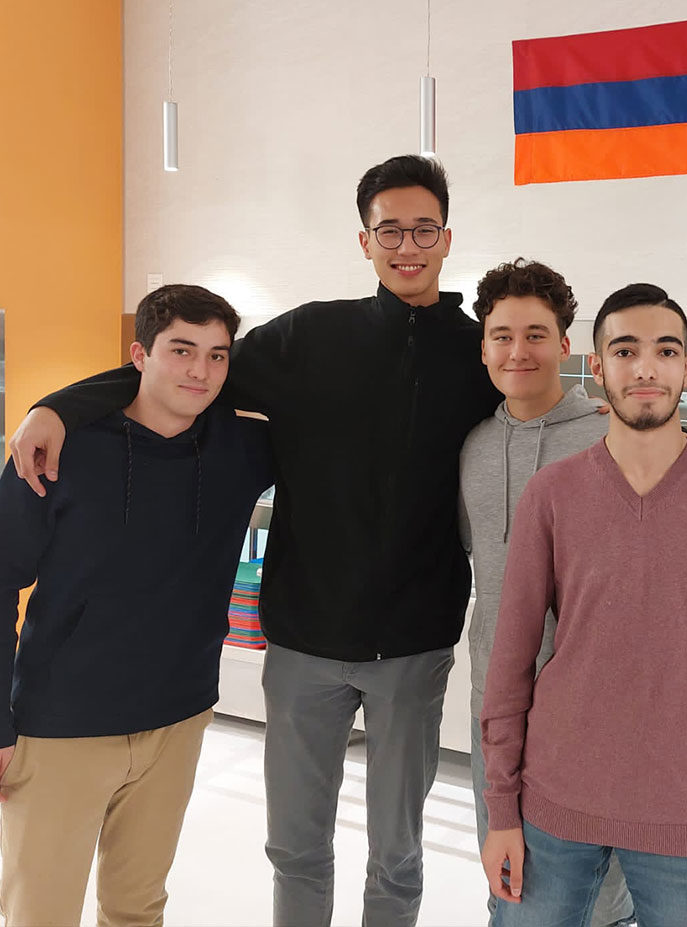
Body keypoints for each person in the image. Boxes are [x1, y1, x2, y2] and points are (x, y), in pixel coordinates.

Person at [7, 155, 501, 927]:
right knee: (296, 849)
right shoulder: (310, 333)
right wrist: (61, 404)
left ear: (446, 237)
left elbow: (542, 397)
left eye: (423, 228)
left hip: (415, 643)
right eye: (389, 229)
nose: (408, 244)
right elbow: (184, 374)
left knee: (398, 856)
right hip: (303, 641)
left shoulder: (479, 356)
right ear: (364, 241)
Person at [479, 283, 687, 927]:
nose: (645, 368)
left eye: (665, 350)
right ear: (596, 366)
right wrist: (501, 809)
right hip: (552, 811)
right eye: (625, 350)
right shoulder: (553, 494)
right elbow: (508, 665)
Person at [0, 284, 272, 926]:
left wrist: (55, 401)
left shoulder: (243, 450)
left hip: (177, 720)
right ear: (139, 354)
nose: (200, 371)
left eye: (217, 355)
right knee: (40, 914)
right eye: (181, 350)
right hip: (61, 725)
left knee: (137, 909)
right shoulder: (55, 452)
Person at [459, 258, 634, 926]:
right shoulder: (472, 447)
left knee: (600, 901)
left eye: (536, 333)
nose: (518, 350)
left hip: (597, 715)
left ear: (566, 344)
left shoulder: (614, 439)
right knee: (510, 888)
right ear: (483, 347)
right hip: (495, 714)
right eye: (502, 334)